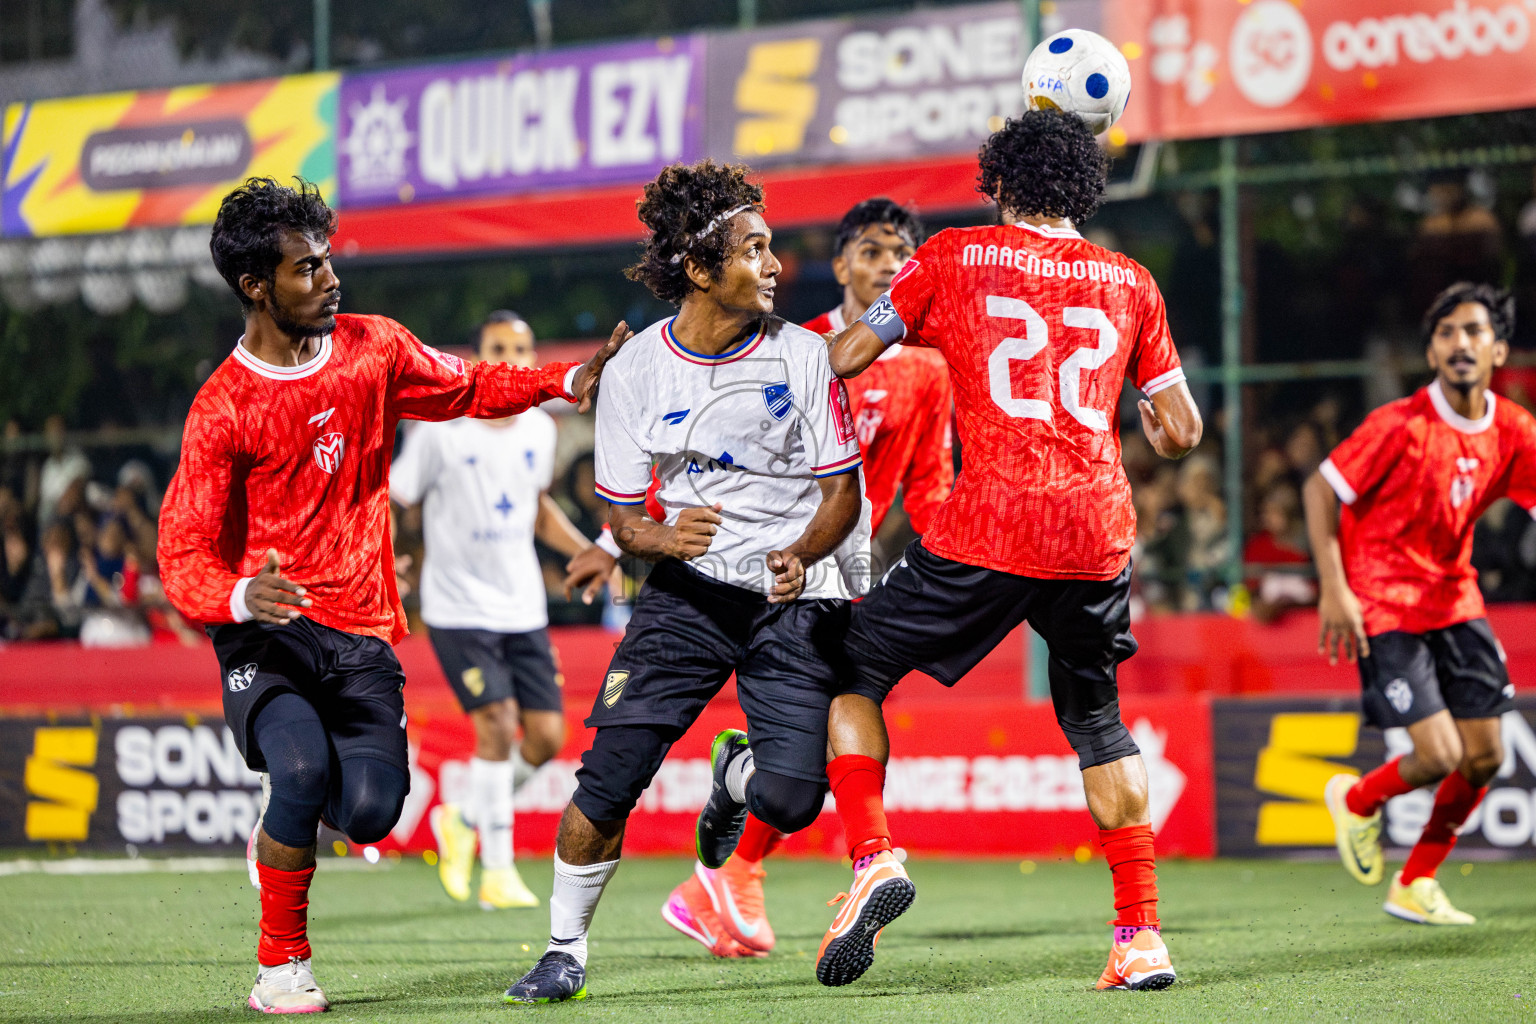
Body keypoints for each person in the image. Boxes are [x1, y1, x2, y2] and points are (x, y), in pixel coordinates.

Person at [703, 111, 1203, 990]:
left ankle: (875, 858)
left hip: (991, 526)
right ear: (1085, 189)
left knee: (848, 675)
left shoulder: (954, 257)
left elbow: (847, 357)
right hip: (1095, 533)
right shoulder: (1133, 281)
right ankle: (1141, 937)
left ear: (998, 183)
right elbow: (1179, 432)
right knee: (1096, 722)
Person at [156, 176, 624, 1014]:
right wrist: (233, 599)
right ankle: (280, 967)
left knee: (371, 813)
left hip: (364, 629)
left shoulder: (374, 349)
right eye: (307, 269)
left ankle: (279, 832)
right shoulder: (222, 406)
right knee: (298, 771)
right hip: (270, 632)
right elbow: (181, 549)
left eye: (329, 261)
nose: (331, 280)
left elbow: (469, 384)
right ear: (255, 286)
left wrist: (560, 381)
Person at [503, 159, 867, 1005]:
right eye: (756, 249)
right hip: (686, 599)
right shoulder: (634, 373)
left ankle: (733, 780)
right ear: (701, 270)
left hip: (786, 600)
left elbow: (842, 493)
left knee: (793, 796)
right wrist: (662, 537)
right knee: (610, 776)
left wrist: (803, 554)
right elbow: (623, 518)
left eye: (773, 247)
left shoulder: (805, 356)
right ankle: (564, 950)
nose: (776, 265)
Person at [661, 198, 955, 959]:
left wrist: (955, 557)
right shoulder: (791, 345)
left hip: (856, 563)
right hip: (782, 558)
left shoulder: (927, 369)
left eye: (900, 253)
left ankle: (733, 868)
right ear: (841, 263)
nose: (887, 264)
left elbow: (928, 484)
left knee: (830, 726)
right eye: (871, 251)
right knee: (837, 712)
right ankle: (861, 860)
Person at [1314, 282, 1533, 926]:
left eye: (1473, 332)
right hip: (1385, 603)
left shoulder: (1516, 429)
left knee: (1487, 755)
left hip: (1455, 597)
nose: (1460, 343)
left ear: (1499, 349)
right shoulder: (1399, 425)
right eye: (1446, 334)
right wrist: (1334, 588)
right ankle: (1357, 800)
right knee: (1438, 755)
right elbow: (1319, 492)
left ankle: (1415, 882)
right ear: (1432, 352)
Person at [389, 310, 604, 911]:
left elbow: (536, 512)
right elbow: (394, 498)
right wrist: (386, 563)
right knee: (497, 725)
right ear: (479, 357)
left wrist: (590, 551)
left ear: (534, 360)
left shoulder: (540, 430)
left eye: (521, 347)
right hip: (457, 606)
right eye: (497, 347)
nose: (510, 357)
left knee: (545, 737)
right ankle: (498, 870)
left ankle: (461, 817)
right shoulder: (442, 428)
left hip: (522, 608)